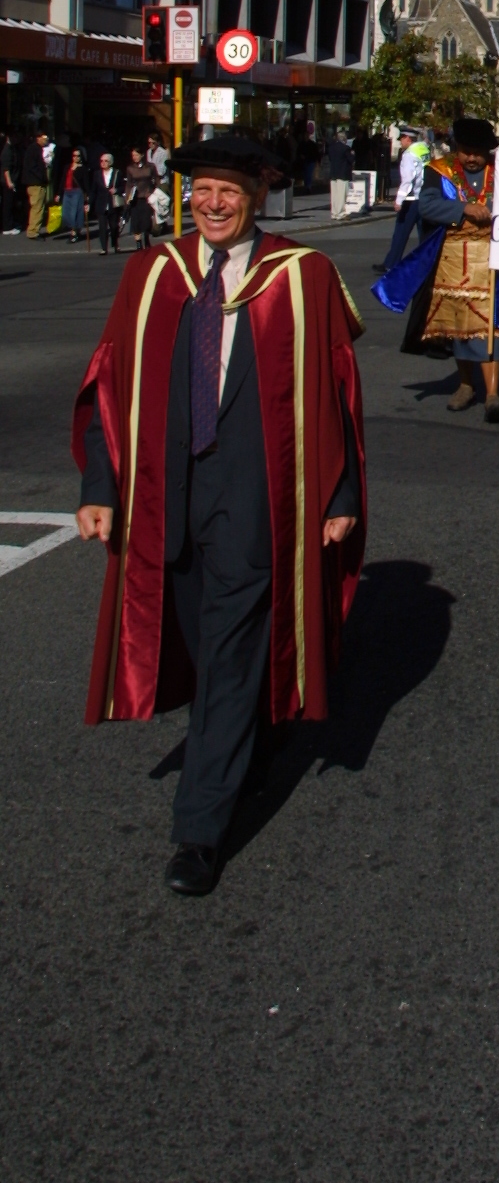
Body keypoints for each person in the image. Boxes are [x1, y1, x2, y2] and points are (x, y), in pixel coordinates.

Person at [72, 134, 366, 896]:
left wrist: (338, 498)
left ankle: (199, 831)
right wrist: (99, 486)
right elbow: (110, 383)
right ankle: (258, 727)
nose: (212, 205)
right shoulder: (152, 273)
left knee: (230, 654)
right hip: (162, 494)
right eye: (202, 191)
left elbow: (335, 393)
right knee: (202, 641)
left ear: (258, 194)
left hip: (258, 493)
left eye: (229, 191)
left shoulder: (302, 276)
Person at [400, 118, 499, 421]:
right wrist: (463, 208)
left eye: (478, 152)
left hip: (494, 260)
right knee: (459, 326)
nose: (472, 158)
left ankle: (492, 393)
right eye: (466, 152)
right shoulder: (439, 171)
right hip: (451, 259)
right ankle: (466, 384)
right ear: (457, 149)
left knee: (492, 327)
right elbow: (426, 205)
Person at [376, 126, 428, 272]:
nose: (400, 142)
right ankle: (426, 263)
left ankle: (391, 264)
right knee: (424, 234)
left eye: (402, 139)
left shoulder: (409, 154)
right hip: (424, 197)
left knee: (400, 233)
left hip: (410, 200)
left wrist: (399, 200)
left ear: (407, 138)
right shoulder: (424, 149)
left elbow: (407, 179)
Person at [124, 146, 159, 250]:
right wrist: (127, 198)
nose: (134, 157)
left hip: (147, 196)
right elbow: (129, 184)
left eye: (136, 155)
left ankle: (146, 239)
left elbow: (156, 179)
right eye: (133, 155)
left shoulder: (150, 167)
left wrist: (156, 191)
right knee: (136, 221)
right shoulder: (130, 168)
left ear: (142, 155)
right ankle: (138, 243)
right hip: (135, 198)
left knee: (146, 221)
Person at [91, 150, 123, 254]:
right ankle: (104, 248)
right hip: (101, 204)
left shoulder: (117, 173)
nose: (103, 163)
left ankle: (115, 244)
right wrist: (88, 204)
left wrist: (117, 190)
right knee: (102, 227)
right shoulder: (97, 174)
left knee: (114, 226)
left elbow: (123, 186)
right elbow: (94, 190)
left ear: (110, 162)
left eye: (105, 161)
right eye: (101, 161)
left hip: (113, 203)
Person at [60, 140, 88, 242]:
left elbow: (86, 183)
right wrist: (59, 193)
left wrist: (87, 196)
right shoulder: (67, 167)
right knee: (66, 213)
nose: (76, 158)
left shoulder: (83, 169)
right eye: (74, 155)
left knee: (75, 213)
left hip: (77, 192)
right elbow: (63, 179)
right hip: (67, 191)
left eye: (78, 156)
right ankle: (75, 231)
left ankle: (74, 233)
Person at [22, 127, 47, 238]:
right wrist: (42, 177)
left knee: (36, 206)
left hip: (33, 182)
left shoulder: (33, 149)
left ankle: (33, 229)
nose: (46, 140)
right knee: (37, 207)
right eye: (44, 138)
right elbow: (32, 166)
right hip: (36, 183)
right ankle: (33, 231)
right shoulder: (34, 149)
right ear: (38, 138)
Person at [326, 126, 354, 220]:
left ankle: (334, 213)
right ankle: (340, 213)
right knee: (341, 195)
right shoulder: (345, 148)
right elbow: (351, 160)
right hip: (343, 173)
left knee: (334, 195)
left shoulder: (331, 148)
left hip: (333, 173)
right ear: (344, 139)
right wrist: (353, 154)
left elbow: (330, 159)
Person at [0, 129, 17, 234]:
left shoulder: (10, 149)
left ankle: (8, 224)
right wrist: (9, 182)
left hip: (6, 181)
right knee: (7, 204)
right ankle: (7, 227)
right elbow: (5, 169)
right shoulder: (7, 150)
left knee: (8, 204)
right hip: (6, 182)